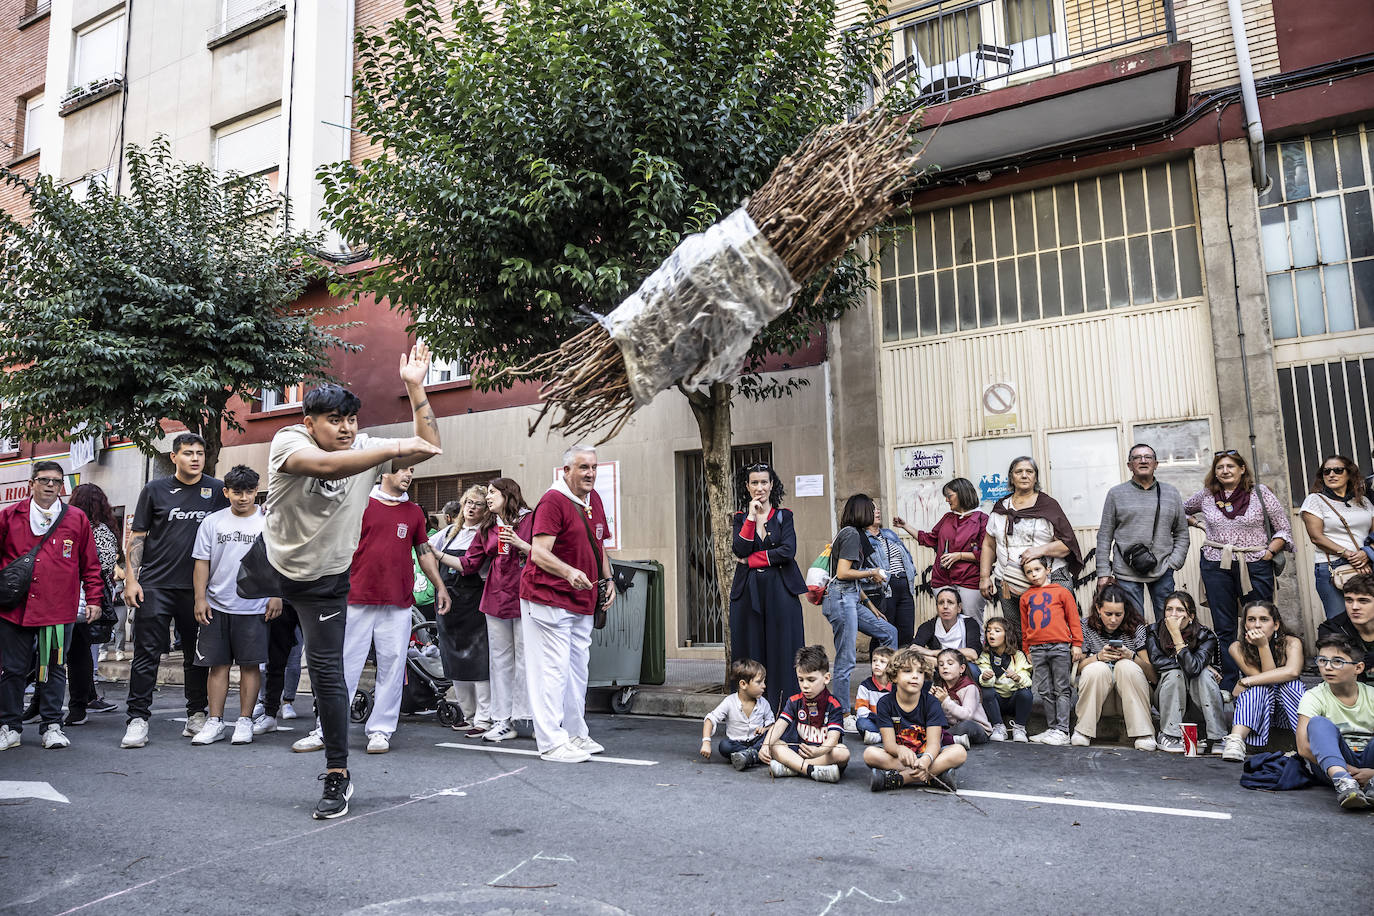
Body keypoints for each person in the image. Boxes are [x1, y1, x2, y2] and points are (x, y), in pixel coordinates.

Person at [245, 345, 443, 819]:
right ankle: (245, 713)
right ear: (310, 422)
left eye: (351, 420)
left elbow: (431, 444)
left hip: (327, 581)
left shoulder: (365, 447)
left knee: (328, 671)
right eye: (335, 420)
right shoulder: (289, 441)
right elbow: (325, 467)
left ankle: (337, 774)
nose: (347, 428)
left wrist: (416, 387)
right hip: (274, 567)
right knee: (258, 650)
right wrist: (387, 449)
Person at [294, 463, 448, 756]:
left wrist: (439, 585)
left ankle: (380, 730)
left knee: (392, 667)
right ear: (384, 473)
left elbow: (424, 552)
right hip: (355, 598)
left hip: (398, 602)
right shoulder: (360, 503)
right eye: (403, 469)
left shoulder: (414, 512)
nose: (409, 474)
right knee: (344, 667)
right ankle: (326, 729)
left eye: (412, 470)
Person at [120, 433, 231, 748]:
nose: (195, 458)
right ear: (174, 457)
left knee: (196, 656)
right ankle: (138, 719)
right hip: (155, 585)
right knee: (146, 654)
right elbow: (138, 536)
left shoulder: (218, 490)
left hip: (198, 589)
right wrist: (131, 579)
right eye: (187, 453)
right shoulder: (155, 489)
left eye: (199, 453)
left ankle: (196, 713)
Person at [519, 444, 615, 764]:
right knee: (552, 671)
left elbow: (598, 544)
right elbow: (539, 552)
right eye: (583, 467)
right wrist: (569, 571)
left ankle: (575, 733)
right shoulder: (553, 501)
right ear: (567, 471)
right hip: (548, 597)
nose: (590, 473)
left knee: (577, 671)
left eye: (593, 467)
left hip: (582, 599)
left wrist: (609, 579)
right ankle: (550, 741)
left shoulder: (594, 500)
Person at [0, 463, 103, 751]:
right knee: (13, 669)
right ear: (31, 483)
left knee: (55, 667)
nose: (50, 486)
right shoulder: (10, 515)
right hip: (13, 609)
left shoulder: (75, 518)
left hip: (58, 610)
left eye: (56, 482)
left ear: (62, 487)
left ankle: (52, 726)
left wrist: (94, 598)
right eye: (44, 480)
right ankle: (9, 726)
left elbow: (90, 563)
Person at [1184, 449, 1292, 693]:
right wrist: (1198, 524)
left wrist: (1269, 552)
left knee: (1259, 621)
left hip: (1255, 563)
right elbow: (1180, 510)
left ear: (1242, 469)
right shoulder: (1206, 496)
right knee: (1225, 625)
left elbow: (1283, 529)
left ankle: (1265, 676)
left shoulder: (1260, 494)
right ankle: (1231, 681)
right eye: (1220, 467)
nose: (1225, 471)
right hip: (1216, 563)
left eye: (1230, 466)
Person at [189, 466, 281, 746]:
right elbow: (201, 562)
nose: (243, 498)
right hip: (217, 605)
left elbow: (279, 560)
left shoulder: (268, 522)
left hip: (255, 606)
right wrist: (200, 598)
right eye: (237, 492)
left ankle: (244, 721)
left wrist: (276, 594)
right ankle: (215, 721)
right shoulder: (212, 522)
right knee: (217, 666)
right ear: (226, 492)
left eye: (249, 492)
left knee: (250, 666)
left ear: (257, 491)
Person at [457, 478, 534, 742]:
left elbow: (545, 553)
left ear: (507, 494)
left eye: (492, 493)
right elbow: (470, 562)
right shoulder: (488, 526)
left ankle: (532, 718)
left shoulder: (529, 520)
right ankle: (502, 720)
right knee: (500, 661)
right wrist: (434, 554)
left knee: (527, 658)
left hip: (525, 596)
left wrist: (519, 544)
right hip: (496, 597)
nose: (487, 498)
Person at [728, 463, 806, 713]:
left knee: (782, 650)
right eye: (754, 483)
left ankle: (784, 711)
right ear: (747, 486)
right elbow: (739, 548)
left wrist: (752, 560)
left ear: (772, 485)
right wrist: (751, 517)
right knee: (750, 653)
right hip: (748, 594)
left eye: (764, 482)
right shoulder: (741, 518)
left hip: (780, 591)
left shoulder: (784, 516)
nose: (759, 487)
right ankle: (748, 713)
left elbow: (787, 551)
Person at [979, 456, 1084, 636]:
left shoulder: (1048, 505)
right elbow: (989, 545)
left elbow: (1067, 544)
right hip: (1009, 580)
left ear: (1035, 477)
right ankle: (1025, 663)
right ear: (1011, 478)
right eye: (1019, 472)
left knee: (1059, 628)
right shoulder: (1000, 508)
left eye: (1029, 471)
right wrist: (984, 577)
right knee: (1017, 631)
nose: (1024, 475)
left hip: (1050, 578)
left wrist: (1040, 550)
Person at [822, 493, 898, 732]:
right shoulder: (852, 534)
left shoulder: (851, 534)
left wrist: (870, 605)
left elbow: (848, 579)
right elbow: (843, 573)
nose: (875, 512)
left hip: (851, 597)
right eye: (872, 508)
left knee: (889, 632)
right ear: (862, 511)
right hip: (842, 599)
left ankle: (887, 690)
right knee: (846, 659)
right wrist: (872, 571)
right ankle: (842, 713)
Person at [1095, 444, 1190, 620]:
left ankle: (1166, 649)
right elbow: (1104, 536)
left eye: (1148, 457)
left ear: (1156, 464)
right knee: (1133, 624)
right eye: (1137, 457)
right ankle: (1141, 649)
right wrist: (1103, 573)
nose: (1143, 460)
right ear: (1129, 465)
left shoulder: (1171, 493)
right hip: (1126, 572)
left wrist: (1173, 563)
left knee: (1168, 622)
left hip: (1163, 569)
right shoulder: (1116, 494)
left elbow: (1182, 533)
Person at [864, 646, 967, 792]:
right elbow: (889, 744)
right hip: (901, 759)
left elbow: (934, 744)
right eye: (907, 671)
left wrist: (926, 759)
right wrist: (899, 749)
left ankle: (898, 779)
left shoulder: (931, 703)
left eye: (920, 672)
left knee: (959, 751)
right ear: (894, 677)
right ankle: (934, 776)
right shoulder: (885, 703)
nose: (915, 676)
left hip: (929, 756)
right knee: (870, 754)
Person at [432, 486, 492, 734]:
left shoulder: (486, 534)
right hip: (448, 602)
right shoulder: (447, 534)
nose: (471, 507)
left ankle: (484, 718)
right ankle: (468, 714)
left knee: (479, 660)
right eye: (468, 501)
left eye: (478, 504)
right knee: (454, 658)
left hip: (474, 602)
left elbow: (474, 567)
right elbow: (424, 553)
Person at [1218, 600, 1307, 762]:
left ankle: (1308, 740)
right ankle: (1236, 741)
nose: (1257, 625)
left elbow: (1293, 671)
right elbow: (1266, 680)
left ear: (1276, 625)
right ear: (1245, 625)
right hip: (1259, 716)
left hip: (1287, 716)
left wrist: (1244, 682)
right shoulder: (1236, 648)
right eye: (1251, 620)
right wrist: (1263, 646)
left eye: (1264, 620)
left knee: (1291, 684)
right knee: (1258, 687)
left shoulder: (1292, 643)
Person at [65, 483, 122, 724]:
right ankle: (83, 699)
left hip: (75, 595)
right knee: (80, 651)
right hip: (90, 596)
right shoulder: (102, 530)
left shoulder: (71, 526)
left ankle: (77, 704)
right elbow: (107, 566)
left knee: (73, 650)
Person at [1296, 634, 1374, 809]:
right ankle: (1344, 784)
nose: (1327, 667)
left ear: (1358, 667)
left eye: (1337, 661)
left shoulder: (1371, 696)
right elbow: (1303, 747)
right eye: (1322, 660)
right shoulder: (1314, 696)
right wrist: (1344, 770)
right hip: (1331, 765)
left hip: (1369, 762)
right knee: (1318, 723)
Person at [1073, 584, 1155, 750]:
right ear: (1098, 608)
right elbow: (1077, 670)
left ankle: (1144, 732)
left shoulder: (1136, 627)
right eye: (1108, 614)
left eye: (1119, 614)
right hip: (1100, 700)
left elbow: (1152, 676)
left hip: (1132, 698)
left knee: (1125, 666)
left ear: (1126, 611)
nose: (1113, 619)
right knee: (1098, 668)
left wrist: (1132, 656)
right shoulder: (1085, 626)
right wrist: (1098, 657)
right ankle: (1083, 731)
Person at [895, 477, 988, 621]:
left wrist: (959, 556)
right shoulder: (947, 518)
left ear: (962, 494)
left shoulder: (982, 519)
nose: (946, 500)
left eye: (949, 496)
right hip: (942, 580)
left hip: (969, 581)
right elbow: (928, 539)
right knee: (947, 624)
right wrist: (905, 526)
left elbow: (987, 555)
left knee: (972, 625)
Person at [1146, 590, 1226, 754]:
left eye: (1180, 610)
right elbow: (1157, 663)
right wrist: (1193, 662)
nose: (1173, 614)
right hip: (1166, 695)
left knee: (1203, 675)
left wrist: (1177, 638)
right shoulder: (1153, 631)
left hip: (1198, 698)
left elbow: (1194, 669)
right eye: (1169, 609)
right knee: (1176, 674)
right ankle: (1169, 734)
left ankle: (1218, 737)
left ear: (1191, 616)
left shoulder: (1205, 635)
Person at [758, 644, 849, 782]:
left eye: (811, 680)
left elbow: (833, 739)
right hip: (800, 753)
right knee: (774, 744)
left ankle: (793, 769)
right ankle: (811, 770)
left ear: (826, 678)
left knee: (842, 753)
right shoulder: (794, 701)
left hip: (823, 755)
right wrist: (765, 745)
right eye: (801, 679)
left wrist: (819, 751)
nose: (805, 685)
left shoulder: (833, 704)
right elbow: (779, 725)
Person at [1019, 554, 1083, 746]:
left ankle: (1063, 730)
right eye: (1028, 572)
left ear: (1048, 570)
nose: (1033, 574)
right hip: (1037, 649)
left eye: (1037, 570)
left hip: (1060, 647)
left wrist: (1077, 644)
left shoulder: (1062, 592)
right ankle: (1052, 728)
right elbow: (1024, 626)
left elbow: (1074, 619)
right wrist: (1027, 649)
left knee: (1062, 688)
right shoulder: (1025, 597)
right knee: (1045, 690)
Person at [1299, 454, 1372, 621]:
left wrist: (1366, 553)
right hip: (1333, 566)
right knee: (1340, 621)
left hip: (1365, 564)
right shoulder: (1315, 500)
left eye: (1338, 470)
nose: (1332, 475)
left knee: (1368, 620)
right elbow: (1316, 537)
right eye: (1327, 472)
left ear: (1349, 474)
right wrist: (1351, 556)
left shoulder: (1363, 502)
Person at [700, 658, 773, 770]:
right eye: (759, 682)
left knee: (772, 738)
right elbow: (711, 719)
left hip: (757, 741)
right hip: (736, 744)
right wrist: (706, 742)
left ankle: (748, 756)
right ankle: (753, 756)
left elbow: (772, 725)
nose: (764, 686)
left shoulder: (764, 703)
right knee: (724, 746)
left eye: (764, 681)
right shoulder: (729, 702)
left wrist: (764, 729)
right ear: (743, 684)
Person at [864, 500, 918, 646]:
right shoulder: (861, 538)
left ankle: (902, 667)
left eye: (878, 509)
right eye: (873, 509)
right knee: (885, 632)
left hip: (904, 584)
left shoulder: (888, 533)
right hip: (885, 589)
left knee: (906, 633)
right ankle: (880, 667)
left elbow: (905, 556)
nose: (878, 511)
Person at [975, 616, 1032, 743]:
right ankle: (998, 726)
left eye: (997, 630)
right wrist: (985, 678)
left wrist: (1018, 678)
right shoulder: (985, 656)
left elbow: (1027, 681)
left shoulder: (1017, 656)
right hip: (996, 702)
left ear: (1007, 634)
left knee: (1026, 693)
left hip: (1013, 700)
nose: (991, 634)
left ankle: (1020, 728)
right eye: (989, 631)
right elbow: (986, 681)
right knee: (986, 691)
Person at [1318, 573, 1374, 684]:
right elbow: (1339, 666)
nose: (1354, 607)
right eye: (1349, 600)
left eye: (1363, 601)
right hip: (1348, 690)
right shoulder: (1331, 629)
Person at [912, 587, 983, 671]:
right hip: (937, 668)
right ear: (937, 608)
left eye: (950, 602)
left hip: (963, 667)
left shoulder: (969, 623)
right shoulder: (928, 626)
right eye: (941, 603)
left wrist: (931, 653)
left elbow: (973, 654)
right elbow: (914, 651)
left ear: (959, 607)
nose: (945, 606)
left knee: (973, 670)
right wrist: (940, 664)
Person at [932, 648, 991, 747]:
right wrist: (931, 698)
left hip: (977, 729)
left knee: (966, 725)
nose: (945, 667)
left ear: (961, 669)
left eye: (950, 663)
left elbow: (967, 716)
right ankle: (950, 739)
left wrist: (945, 701)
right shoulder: (939, 686)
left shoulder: (969, 687)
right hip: (951, 727)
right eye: (941, 665)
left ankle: (940, 739)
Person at [854, 645, 895, 745]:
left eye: (882, 662)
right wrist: (877, 718)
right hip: (875, 721)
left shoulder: (896, 686)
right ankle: (889, 737)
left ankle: (879, 737)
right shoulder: (865, 686)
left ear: (890, 666)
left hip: (892, 723)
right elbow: (861, 710)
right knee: (861, 723)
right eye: (874, 660)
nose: (877, 664)